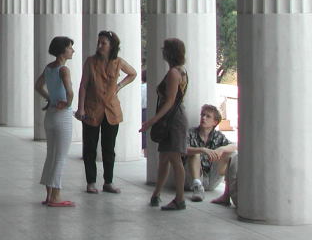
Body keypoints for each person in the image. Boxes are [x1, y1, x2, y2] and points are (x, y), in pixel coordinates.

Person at [74, 30, 137, 194]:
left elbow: (133, 73)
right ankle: (91, 182)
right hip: (91, 109)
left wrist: (119, 86)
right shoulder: (90, 62)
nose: (100, 46)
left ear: (111, 46)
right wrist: (81, 108)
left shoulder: (118, 62)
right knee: (90, 148)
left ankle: (108, 181)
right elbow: (83, 85)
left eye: (104, 43)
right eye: (99, 42)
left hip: (111, 111)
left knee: (109, 148)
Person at [141, 38, 189, 211]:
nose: (162, 51)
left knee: (175, 158)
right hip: (174, 118)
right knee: (164, 158)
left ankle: (180, 199)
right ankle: (156, 193)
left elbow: (169, 102)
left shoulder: (173, 73)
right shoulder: (181, 71)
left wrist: (151, 121)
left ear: (170, 52)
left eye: (165, 49)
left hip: (172, 120)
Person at [35, 36, 76, 207]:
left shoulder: (49, 68)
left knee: (51, 155)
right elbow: (70, 92)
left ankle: (49, 194)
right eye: (70, 47)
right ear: (62, 50)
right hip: (62, 116)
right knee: (60, 157)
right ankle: (56, 196)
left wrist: (50, 98)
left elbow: (38, 86)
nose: (72, 50)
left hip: (50, 115)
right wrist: (68, 104)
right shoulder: (63, 69)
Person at [184, 104, 237, 203]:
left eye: (208, 116)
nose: (203, 118)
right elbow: (182, 149)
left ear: (215, 122)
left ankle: (226, 194)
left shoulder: (218, 136)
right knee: (195, 153)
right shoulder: (191, 132)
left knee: (230, 154)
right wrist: (202, 149)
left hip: (211, 180)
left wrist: (222, 149)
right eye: (202, 115)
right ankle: (197, 187)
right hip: (191, 180)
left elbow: (235, 146)